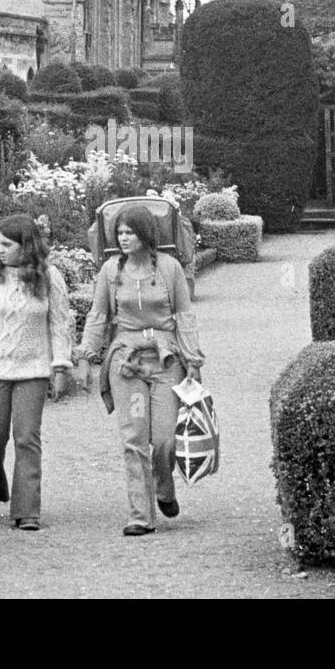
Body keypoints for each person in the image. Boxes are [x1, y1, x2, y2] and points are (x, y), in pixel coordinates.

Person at [78, 204, 206, 536]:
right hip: (127, 364)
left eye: (129, 232)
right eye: (119, 232)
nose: (123, 238)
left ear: (145, 234)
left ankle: (164, 487)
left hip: (165, 363)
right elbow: (98, 315)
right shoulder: (109, 270)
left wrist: (192, 360)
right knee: (134, 438)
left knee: (164, 439)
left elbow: (184, 315)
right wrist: (85, 354)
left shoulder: (169, 267)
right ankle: (140, 515)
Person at [0, 214, 75, 531]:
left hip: (33, 371)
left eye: (7, 244)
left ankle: (27, 510)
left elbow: (60, 325)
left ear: (27, 245)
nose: (0, 250)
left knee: (27, 440)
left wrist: (60, 365)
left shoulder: (48, 278)